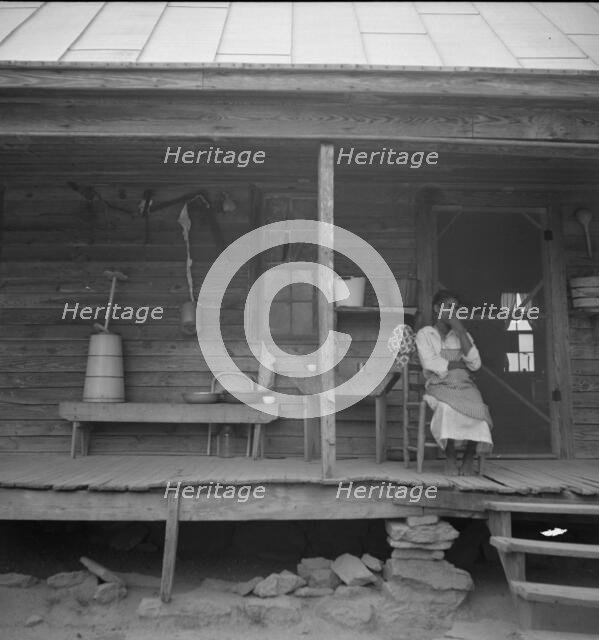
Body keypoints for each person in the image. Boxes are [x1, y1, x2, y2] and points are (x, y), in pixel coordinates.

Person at [415, 290, 493, 475]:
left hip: (464, 384)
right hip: (438, 384)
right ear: (436, 308)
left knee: (479, 409)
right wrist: (457, 363)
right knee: (447, 408)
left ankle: (469, 456)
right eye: (448, 307)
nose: (453, 311)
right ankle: (450, 457)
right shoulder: (426, 334)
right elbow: (429, 362)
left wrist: (460, 330)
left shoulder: (462, 335)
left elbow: (474, 364)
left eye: (456, 308)